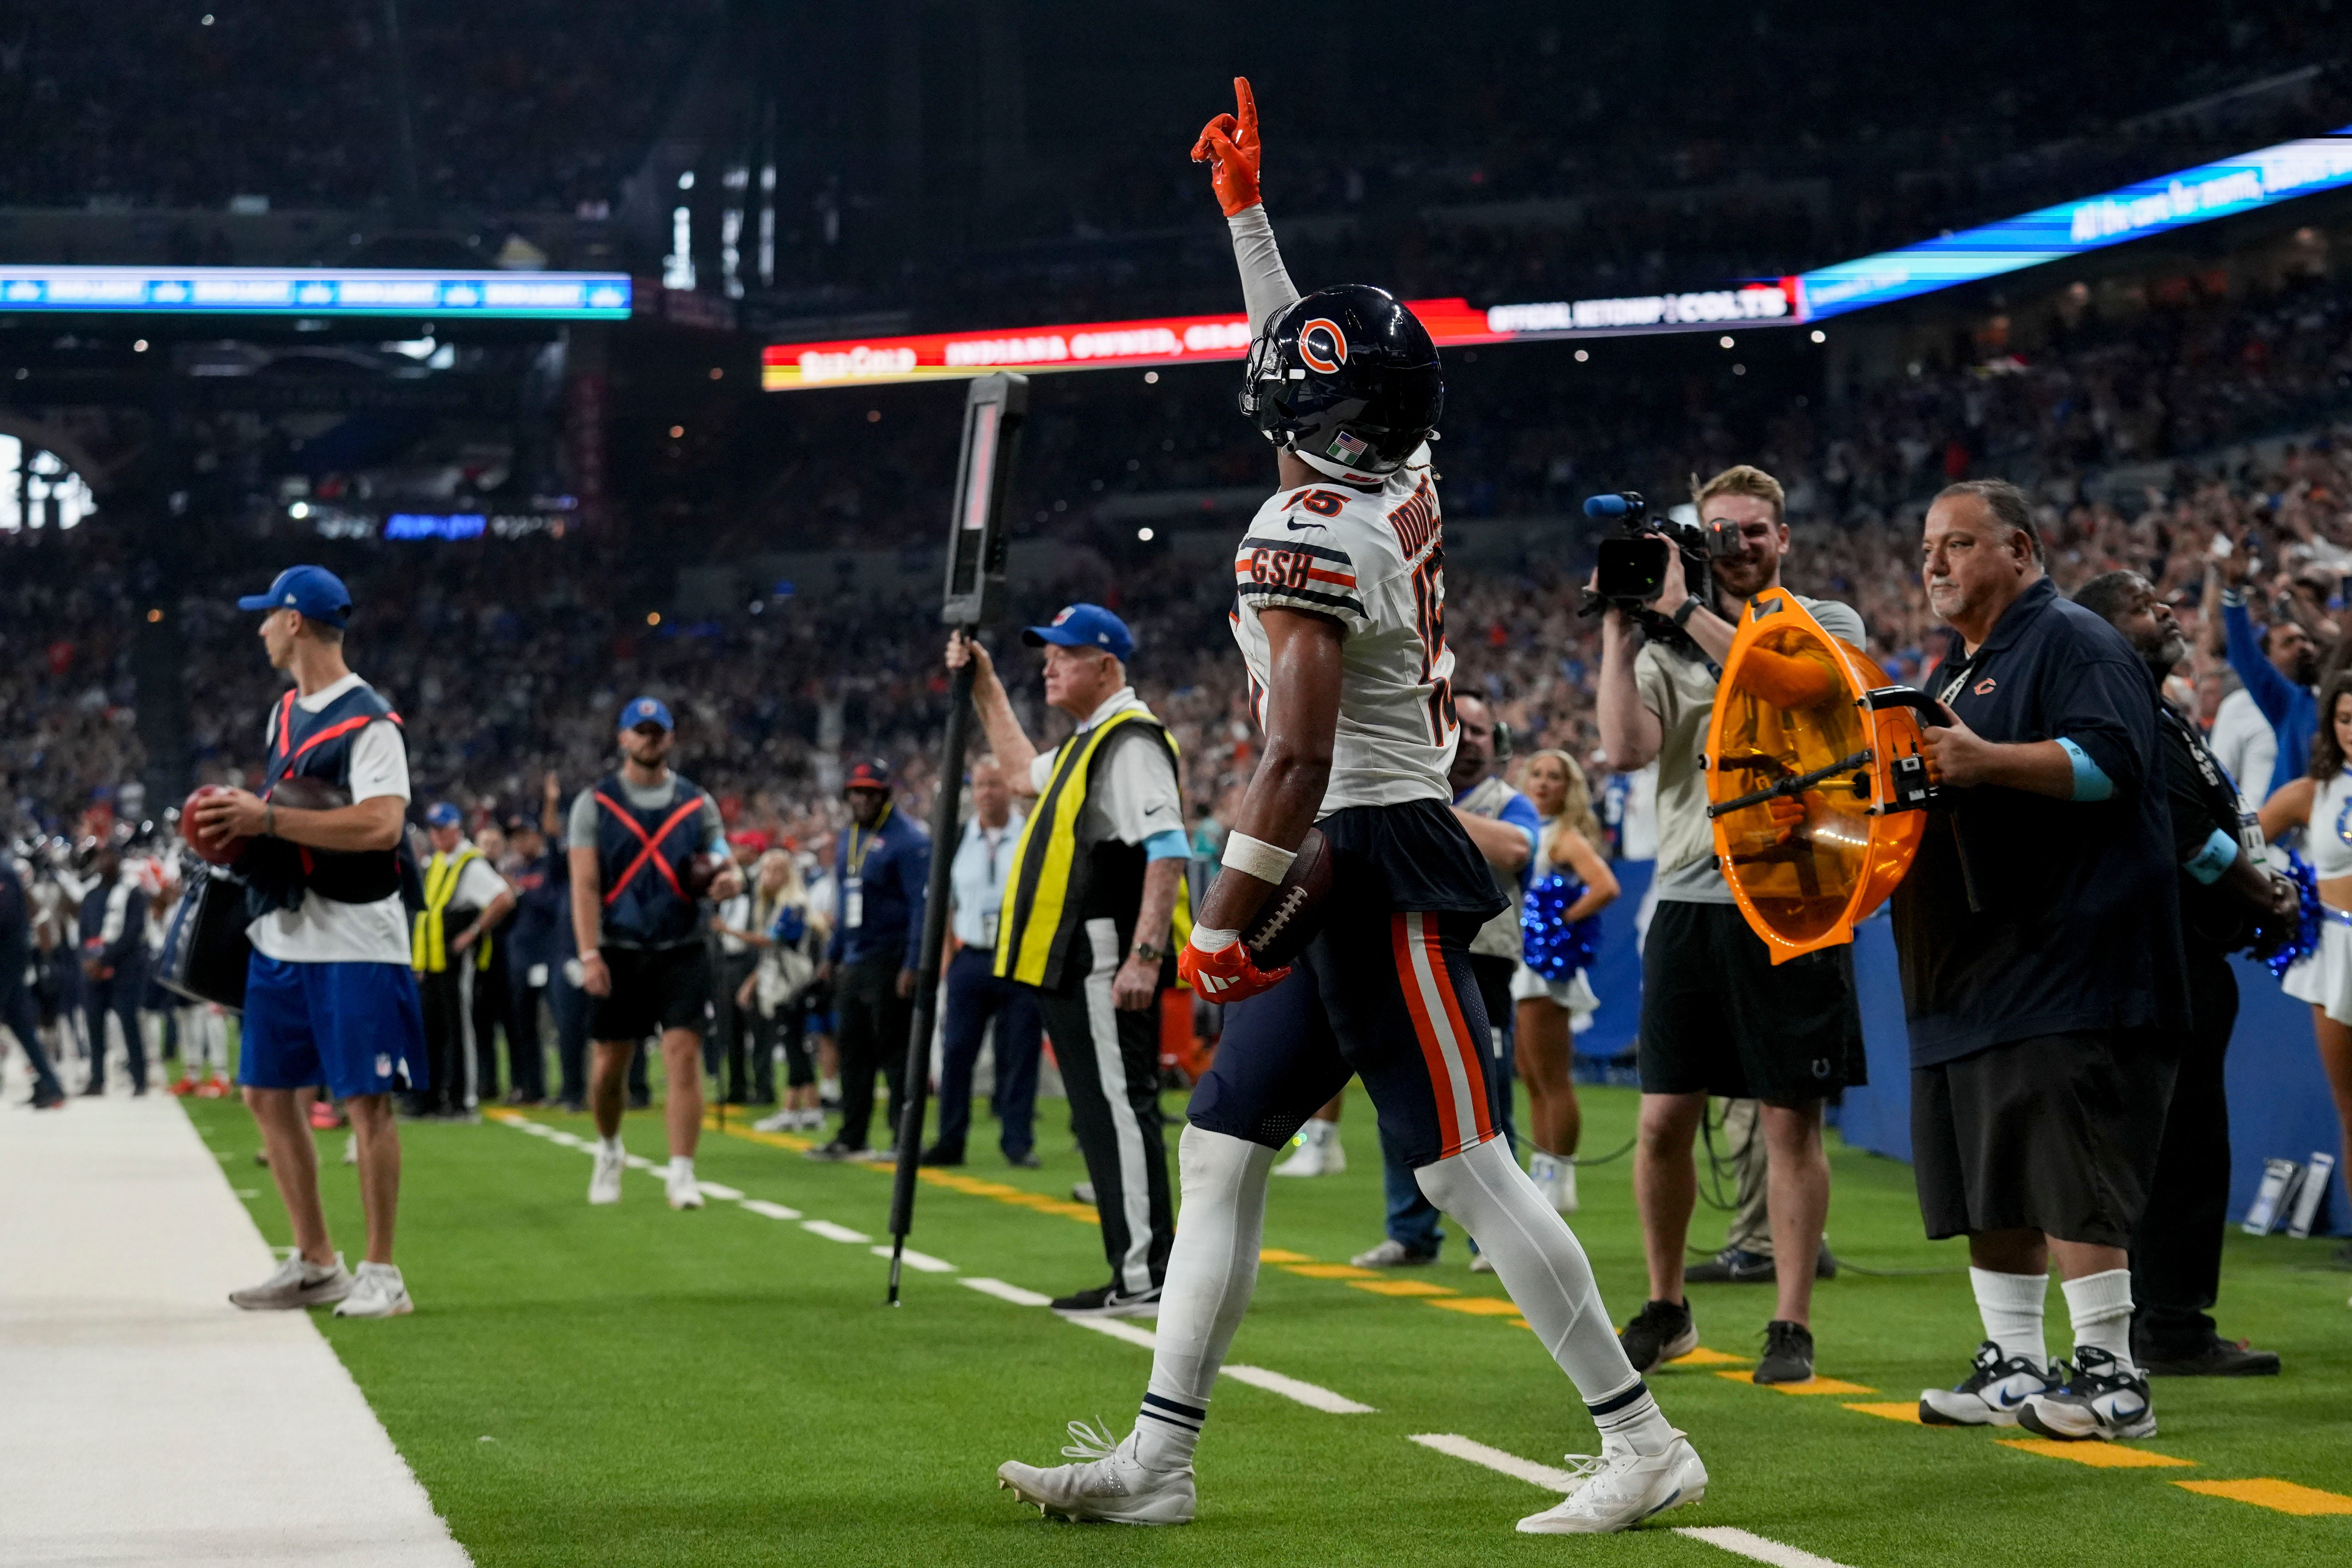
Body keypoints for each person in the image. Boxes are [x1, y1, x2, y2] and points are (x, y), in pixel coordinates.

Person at [996, 82, 1704, 1535]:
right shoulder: (1398, 465)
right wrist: (1246, 218)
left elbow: (1292, 759)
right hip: (1363, 831)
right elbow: (1310, 362)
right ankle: (1160, 1454)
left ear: (1302, 424)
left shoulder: (1301, 531)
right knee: (1220, 1140)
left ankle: (1643, 1444)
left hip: (1366, 852)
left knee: (1463, 1164)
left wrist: (1219, 915)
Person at [1896, 481, 2188, 1442]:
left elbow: (2113, 761)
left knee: (2067, 1165)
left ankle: (2110, 1373)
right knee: (1990, 1169)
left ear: (2017, 549)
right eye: (1928, 546)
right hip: (1977, 964)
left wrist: (1984, 762)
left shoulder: (2071, 637)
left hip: (2074, 958)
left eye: (1957, 543)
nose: (1934, 562)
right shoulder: (1955, 668)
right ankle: (2012, 1362)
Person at [1594, 462, 1865, 1386]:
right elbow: (1623, 750)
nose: (1738, 544)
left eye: (1755, 529)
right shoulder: (1666, 647)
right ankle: (1667, 1307)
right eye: (1721, 530)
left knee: (1790, 1119)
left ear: (1782, 537)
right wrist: (1617, 626)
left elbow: (1797, 691)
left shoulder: (1826, 624)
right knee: (1664, 1116)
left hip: (1798, 898)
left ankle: (1789, 1320)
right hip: (1686, 896)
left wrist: (1682, 612)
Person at [192, 564, 426, 1319]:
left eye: (267, 616)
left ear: (295, 622)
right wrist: (234, 831)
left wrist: (266, 820)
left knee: (367, 1104)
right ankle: (316, 1259)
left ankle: (383, 1271)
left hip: (358, 936)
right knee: (265, 1092)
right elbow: (289, 822)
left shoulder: (372, 720)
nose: (259, 628)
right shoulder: (283, 712)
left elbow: (381, 825)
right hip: (286, 930)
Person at [2077, 570, 2292, 1376]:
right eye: (2141, 605)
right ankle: (2170, 1325)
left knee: (2170, 1143)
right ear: (2103, 632)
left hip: (2176, 955)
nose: (2165, 609)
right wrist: (2262, 890)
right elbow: (2188, 839)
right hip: (2166, 958)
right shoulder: (2131, 714)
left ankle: (2155, 1318)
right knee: (2184, 1147)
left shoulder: (2156, 711)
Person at [950, 602, 1186, 1312]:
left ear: (1106, 664)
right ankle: (1135, 1268)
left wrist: (1145, 954)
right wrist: (986, 688)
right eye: (1046, 654)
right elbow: (1022, 773)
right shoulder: (1090, 741)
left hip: (1102, 953)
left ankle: (1147, 1275)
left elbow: (1168, 848)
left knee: (1117, 1109)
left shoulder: (1129, 741)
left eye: (1065, 653)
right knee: (1099, 1112)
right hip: (1075, 958)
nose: (1049, 664)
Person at [1352, 694, 1539, 1268]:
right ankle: (1410, 1233)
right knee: (1399, 1103)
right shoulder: (1417, 794)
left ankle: (1495, 1238)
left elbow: (1515, 849)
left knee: (1490, 1104)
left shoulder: (1509, 802)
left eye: (1485, 731)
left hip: (1481, 965)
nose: (1477, 740)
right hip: (1402, 956)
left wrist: (1415, 804)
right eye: (1468, 729)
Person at [570, 697, 740, 1208]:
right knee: (608, 1066)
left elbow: (723, 858)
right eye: (639, 731)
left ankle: (682, 1171)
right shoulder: (595, 804)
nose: (649, 739)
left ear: (670, 738)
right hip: (618, 947)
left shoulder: (696, 803)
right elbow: (583, 884)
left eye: (657, 731)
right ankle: (608, 1149)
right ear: (622, 738)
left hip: (683, 944)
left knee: (683, 1055)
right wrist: (589, 953)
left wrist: (729, 879)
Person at [2254, 669, 2352, 1277]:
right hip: (2338, 954)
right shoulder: (2311, 792)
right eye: (2344, 719)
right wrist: (2291, 887)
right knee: (2350, 1108)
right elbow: (2242, 843)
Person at [922, 755, 1045, 1169]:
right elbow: (944, 903)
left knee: (1020, 1052)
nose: (987, 794)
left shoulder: (1031, 837)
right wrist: (946, 957)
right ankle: (950, 1139)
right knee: (956, 1051)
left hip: (1018, 958)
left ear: (1010, 789)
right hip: (970, 956)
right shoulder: (957, 840)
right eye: (980, 786)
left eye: (995, 784)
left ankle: (1017, 1141)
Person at [1511, 747, 1618, 1212]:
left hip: (1544, 973)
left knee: (1552, 1079)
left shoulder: (1563, 836)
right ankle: (1545, 1170)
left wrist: (1559, 926)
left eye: (1554, 777)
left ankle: (1560, 1173)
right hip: (1519, 965)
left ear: (1568, 788)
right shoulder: (1522, 828)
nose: (1543, 783)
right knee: (1532, 1077)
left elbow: (1606, 886)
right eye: (1536, 774)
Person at [806, 759, 928, 1160]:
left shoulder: (909, 840)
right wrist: (832, 955)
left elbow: (920, 908)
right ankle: (852, 1134)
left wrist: (913, 963)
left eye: (870, 792)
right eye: (856, 792)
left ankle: (902, 1137)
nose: (861, 799)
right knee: (852, 1048)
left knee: (894, 1051)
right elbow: (846, 900)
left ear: (884, 796)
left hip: (891, 957)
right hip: (855, 959)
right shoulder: (850, 837)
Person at [409, 803, 514, 1119]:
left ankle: (462, 1100)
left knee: (459, 1031)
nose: (437, 835)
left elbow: (503, 898)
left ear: (457, 829)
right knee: (431, 1030)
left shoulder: (471, 863)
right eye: (434, 829)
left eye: (443, 829)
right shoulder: (439, 861)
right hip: (433, 960)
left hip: (456, 960)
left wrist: (473, 932)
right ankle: (429, 1098)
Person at [2213, 551, 2320, 802]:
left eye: (2306, 639)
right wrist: (2233, 593)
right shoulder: (2243, 705)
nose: (2303, 646)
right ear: (2267, 660)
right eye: (2289, 643)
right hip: (2266, 835)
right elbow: (2220, 777)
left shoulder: (2324, 702)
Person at [509, 775, 586, 1109]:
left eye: (524, 836)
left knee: (566, 1027)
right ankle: (534, 1088)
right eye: (514, 838)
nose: (518, 843)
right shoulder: (512, 870)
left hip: (554, 956)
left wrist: (551, 802)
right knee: (525, 1029)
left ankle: (574, 1089)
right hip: (523, 959)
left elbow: (555, 837)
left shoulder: (552, 867)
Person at [750, 849, 829, 1132]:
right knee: (794, 1046)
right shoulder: (779, 905)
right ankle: (800, 1109)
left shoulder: (794, 906)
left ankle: (808, 1109)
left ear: (787, 874)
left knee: (796, 1046)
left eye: (773, 870)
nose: (767, 877)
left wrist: (727, 931)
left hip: (794, 987)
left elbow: (773, 941)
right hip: (786, 985)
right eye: (765, 871)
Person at [76, 841, 149, 1096]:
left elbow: (134, 931)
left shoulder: (132, 893)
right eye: (101, 858)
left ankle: (140, 1079)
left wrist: (106, 959)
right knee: (94, 1026)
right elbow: (84, 932)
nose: (105, 862)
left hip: (125, 970)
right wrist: (88, 960)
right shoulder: (92, 894)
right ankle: (97, 1079)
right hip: (95, 971)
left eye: (110, 857)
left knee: (129, 1023)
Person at [709, 831, 771, 1105]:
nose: (732, 852)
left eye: (739, 847)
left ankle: (763, 1087)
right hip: (726, 962)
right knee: (729, 1028)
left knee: (758, 1029)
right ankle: (736, 1087)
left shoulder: (760, 883)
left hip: (752, 961)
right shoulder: (727, 884)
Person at [1, 850, 66, 1109]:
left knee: (22, 1025)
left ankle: (51, 1085)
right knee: (21, 1026)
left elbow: (4, 917)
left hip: (6, 959)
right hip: (11, 958)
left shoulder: (3, 870)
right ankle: (51, 1085)